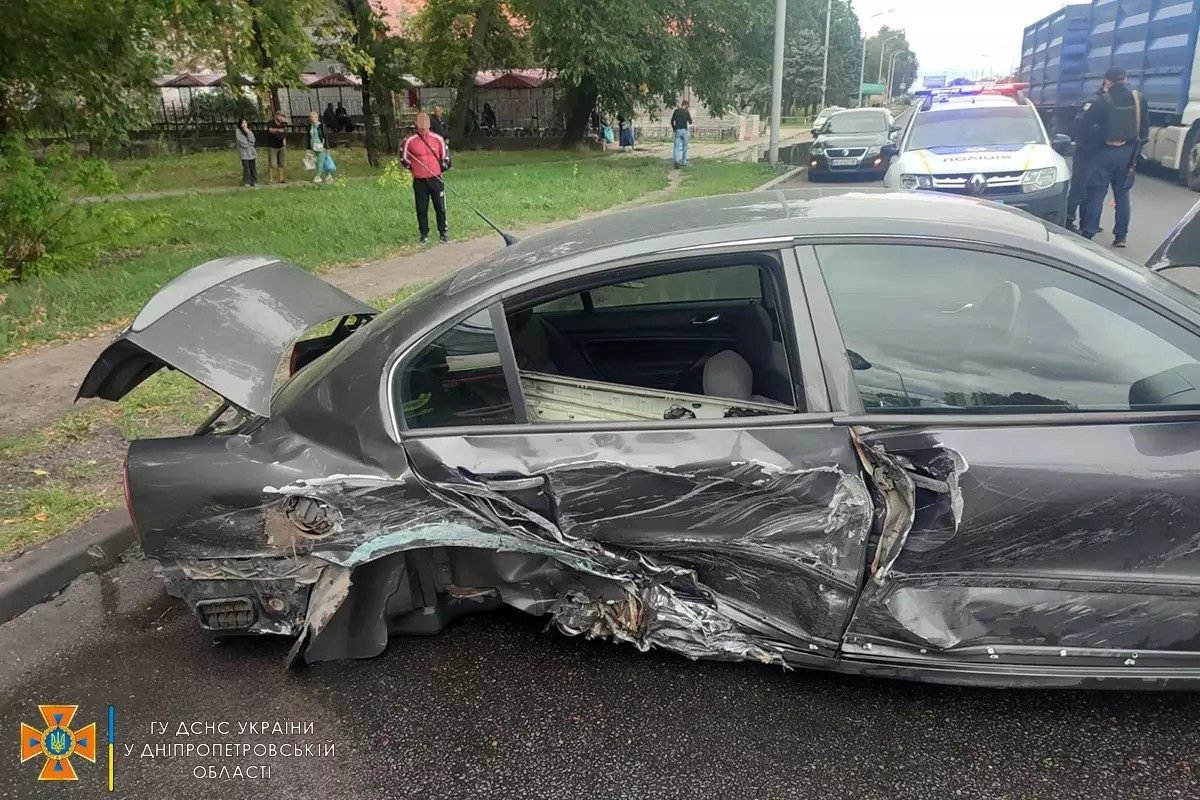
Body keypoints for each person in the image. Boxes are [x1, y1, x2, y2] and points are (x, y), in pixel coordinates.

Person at [1079, 66, 1149, 248]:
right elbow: (1144, 131)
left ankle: (1089, 231)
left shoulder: (1102, 101)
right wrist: (1134, 152)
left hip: (1104, 152)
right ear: (1125, 78)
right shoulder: (1138, 99)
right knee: (1122, 195)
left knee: (1096, 193)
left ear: (1107, 81)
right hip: (1128, 154)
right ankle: (1121, 236)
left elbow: (1086, 130)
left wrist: (1102, 142)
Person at [401, 111, 450, 245]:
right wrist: (415, 168)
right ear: (416, 124)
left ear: (429, 124)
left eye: (425, 124)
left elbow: (445, 157)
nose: (423, 127)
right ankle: (424, 234)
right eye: (420, 123)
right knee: (421, 208)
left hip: (436, 178)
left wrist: (439, 170)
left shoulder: (437, 139)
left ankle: (443, 232)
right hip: (420, 181)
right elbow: (404, 159)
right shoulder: (409, 141)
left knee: (440, 206)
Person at [308, 111, 331, 184]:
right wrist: (308, 148)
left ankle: (317, 176)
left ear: (317, 118)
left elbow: (325, 137)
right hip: (313, 146)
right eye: (310, 117)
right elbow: (308, 137)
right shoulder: (309, 126)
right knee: (322, 162)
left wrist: (327, 148)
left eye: (313, 117)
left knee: (319, 161)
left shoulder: (321, 126)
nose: (312, 118)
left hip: (321, 146)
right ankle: (329, 176)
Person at [265, 111, 287, 184]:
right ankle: (270, 179)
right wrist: (278, 130)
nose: (282, 118)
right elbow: (270, 130)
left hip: (281, 146)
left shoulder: (282, 124)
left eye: (283, 117)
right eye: (281, 116)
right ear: (277, 116)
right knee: (272, 164)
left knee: (281, 163)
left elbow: (284, 133)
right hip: (272, 147)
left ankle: (281, 179)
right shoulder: (271, 122)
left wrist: (284, 141)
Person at [235, 118, 258, 187]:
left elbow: (253, 140)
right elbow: (243, 143)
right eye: (243, 123)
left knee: (253, 167)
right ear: (240, 124)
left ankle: (254, 181)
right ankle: (247, 181)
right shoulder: (238, 132)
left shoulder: (248, 131)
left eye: (245, 123)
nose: (245, 124)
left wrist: (248, 132)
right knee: (246, 168)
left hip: (252, 152)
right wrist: (250, 143)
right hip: (244, 153)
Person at [670, 99, 693, 168]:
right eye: (687, 106)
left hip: (677, 130)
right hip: (684, 130)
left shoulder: (676, 111)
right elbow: (690, 122)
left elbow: (672, 121)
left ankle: (676, 161)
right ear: (686, 105)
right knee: (684, 147)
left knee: (676, 147)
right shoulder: (686, 112)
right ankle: (684, 161)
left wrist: (674, 128)